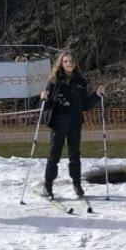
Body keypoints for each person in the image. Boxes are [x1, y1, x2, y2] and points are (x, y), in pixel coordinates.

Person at [40, 50, 104, 199]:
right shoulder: (54, 80)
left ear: (75, 63)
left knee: (74, 154)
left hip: (75, 122)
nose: (69, 64)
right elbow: (46, 103)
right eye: (66, 61)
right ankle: (48, 185)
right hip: (58, 122)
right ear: (61, 63)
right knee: (54, 154)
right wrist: (43, 98)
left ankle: (77, 185)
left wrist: (96, 95)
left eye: (71, 61)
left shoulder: (80, 81)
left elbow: (85, 105)